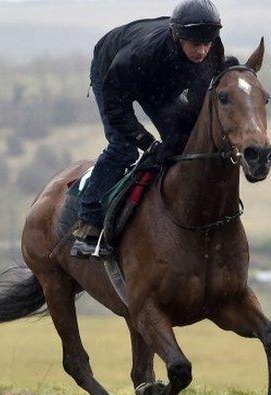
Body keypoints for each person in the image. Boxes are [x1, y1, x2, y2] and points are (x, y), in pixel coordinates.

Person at [72, 0, 225, 258]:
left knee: (181, 141)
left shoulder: (211, 49)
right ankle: (88, 223)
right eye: (195, 44)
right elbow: (115, 106)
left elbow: (200, 102)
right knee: (124, 148)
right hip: (112, 73)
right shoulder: (138, 56)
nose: (202, 51)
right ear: (177, 37)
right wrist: (146, 141)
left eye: (207, 43)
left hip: (158, 79)